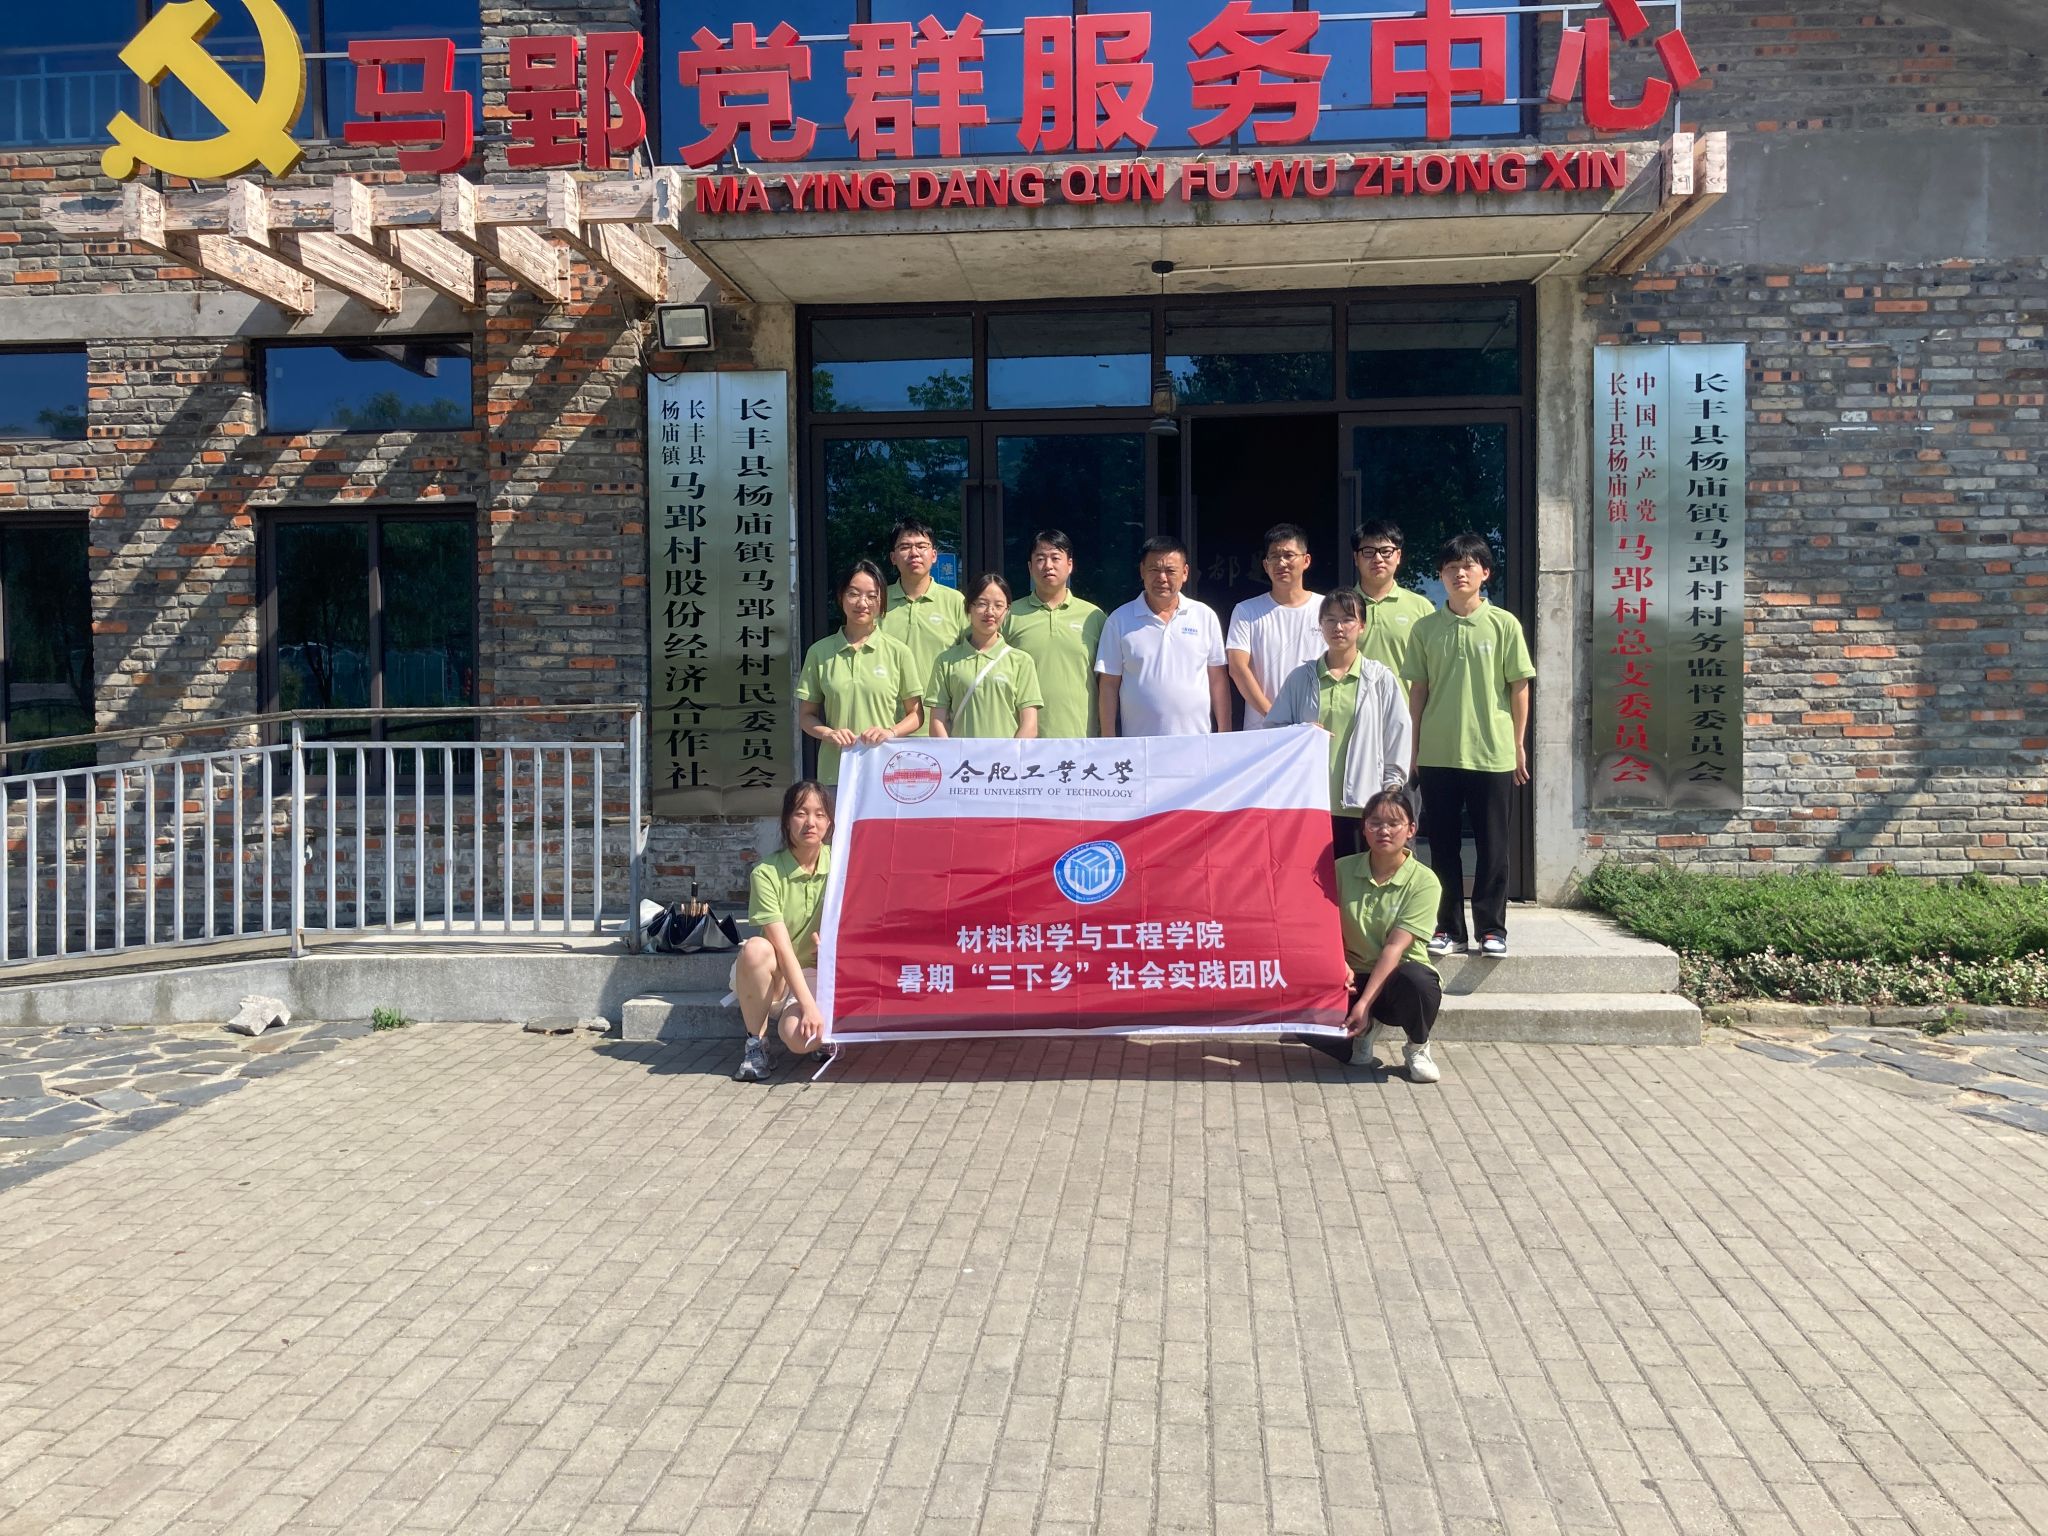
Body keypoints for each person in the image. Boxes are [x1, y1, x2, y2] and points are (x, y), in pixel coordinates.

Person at [1402, 534, 1534, 958]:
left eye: (1468, 565)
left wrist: (1518, 744)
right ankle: (1448, 928)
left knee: (1493, 845)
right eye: (1451, 567)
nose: (1460, 573)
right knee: (1442, 846)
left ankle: (1492, 929)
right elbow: (1418, 691)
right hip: (1438, 752)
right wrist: (1414, 748)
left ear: (1485, 573)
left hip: (1492, 752)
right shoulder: (1425, 629)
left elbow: (1519, 687)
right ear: (1440, 575)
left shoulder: (1504, 624)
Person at [1305, 788, 1444, 1084]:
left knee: (1417, 981)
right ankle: (1361, 1036)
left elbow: (1395, 947)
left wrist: (1364, 1004)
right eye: (1375, 823)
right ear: (1364, 828)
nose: (1384, 831)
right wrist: (1337, 964)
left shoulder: (1424, 881)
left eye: (1394, 823)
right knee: (1300, 1016)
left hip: (1396, 978)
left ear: (1411, 830)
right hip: (1350, 976)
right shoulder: (1340, 869)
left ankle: (1418, 1047)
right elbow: (1322, 927)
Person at [1262, 589, 1410, 860]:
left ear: (1362, 625)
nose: (1338, 627)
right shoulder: (1301, 678)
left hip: (1363, 807)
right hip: (1310, 805)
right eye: (1330, 619)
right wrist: (1300, 733)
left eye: (1347, 619)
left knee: (1356, 881)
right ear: (1320, 625)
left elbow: (1397, 736)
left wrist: (1390, 792)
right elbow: (1272, 732)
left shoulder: (1380, 678)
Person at [730, 779, 833, 1083]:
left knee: (801, 1038)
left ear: (829, 823)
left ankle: (822, 1036)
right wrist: (809, 1006)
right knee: (756, 949)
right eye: (801, 813)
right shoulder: (766, 873)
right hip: (779, 975)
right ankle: (756, 1043)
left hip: (820, 973)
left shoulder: (842, 863)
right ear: (787, 820)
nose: (810, 822)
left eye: (819, 814)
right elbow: (784, 950)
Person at [796, 559, 922, 786]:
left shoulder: (898, 652)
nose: (862, 603)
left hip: (884, 773)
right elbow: (806, 716)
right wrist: (828, 733)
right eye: (853, 594)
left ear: (881, 601)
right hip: (835, 772)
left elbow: (916, 714)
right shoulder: (819, 652)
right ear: (841, 597)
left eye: (872, 596)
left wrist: (890, 732)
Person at [1095, 536, 1232, 737]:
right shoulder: (1119, 620)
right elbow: (1108, 684)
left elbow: (1218, 679)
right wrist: (1108, 737)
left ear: (1185, 573)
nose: (1162, 578)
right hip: (1140, 744)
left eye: (1170, 570)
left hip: (1196, 741)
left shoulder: (1204, 616)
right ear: (1142, 571)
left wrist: (1225, 731)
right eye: (1154, 570)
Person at [1002, 530, 1106, 738]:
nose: (1048, 565)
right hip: (1022, 737)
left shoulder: (1094, 617)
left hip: (1082, 736)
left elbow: (1107, 683)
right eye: (1040, 559)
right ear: (1030, 567)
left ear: (1070, 565)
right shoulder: (1009, 614)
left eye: (1055, 558)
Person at [1226, 522, 1326, 731]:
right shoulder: (1246, 611)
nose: (1281, 563)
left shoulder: (1327, 609)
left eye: (1289, 555)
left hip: (1315, 729)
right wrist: (1276, 717)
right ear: (1265, 565)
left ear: (1306, 560)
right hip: (1262, 731)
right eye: (1274, 556)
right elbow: (1237, 668)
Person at [877, 518, 966, 736]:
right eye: (905, 547)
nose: (914, 553)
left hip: (944, 728)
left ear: (934, 555)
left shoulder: (956, 602)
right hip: (884, 728)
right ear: (893, 557)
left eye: (921, 546)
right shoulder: (877, 601)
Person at [927, 573, 1044, 739]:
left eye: (998, 605)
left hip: (1006, 755)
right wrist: (951, 754)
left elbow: (1029, 725)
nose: (990, 612)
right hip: (962, 756)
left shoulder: (1021, 661)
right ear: (969, 607)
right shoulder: (946, 661)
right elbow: (937, 722)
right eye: (982, 604)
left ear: (1007, 610)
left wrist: (1009, 754)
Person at [1351, 519, 1437, 677]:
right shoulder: (1341, 606)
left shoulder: (1421, 608)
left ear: (1398, 556)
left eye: (1386, 551)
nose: (1378, 559)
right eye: (1368, 552)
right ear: (1356, 558)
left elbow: (1435, 667)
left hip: (1406, 694)